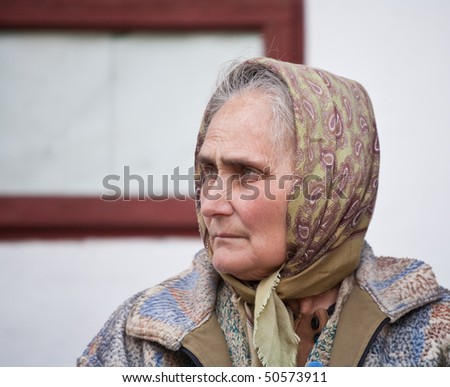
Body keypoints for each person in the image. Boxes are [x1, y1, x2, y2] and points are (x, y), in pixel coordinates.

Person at [77, 58, 450, 367]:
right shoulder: (145, 337)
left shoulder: (432, 334)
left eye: (247, 175)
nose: (210, 204)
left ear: (328, 188)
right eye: (208, 173)